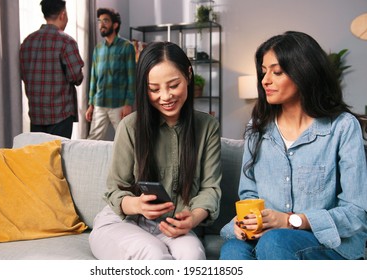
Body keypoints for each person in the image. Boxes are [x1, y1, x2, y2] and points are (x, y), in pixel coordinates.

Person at [219, 31, 367, 260]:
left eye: (277, 72)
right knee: (233, 249)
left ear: (304, 73)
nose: (265, 80)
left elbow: (357, 213)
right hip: (267, 238)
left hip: (329, 244)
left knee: (275, 241)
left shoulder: (342, 127)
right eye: (263, 72)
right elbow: (249, 194)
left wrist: (291, 220)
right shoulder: (258, 127)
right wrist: (245, 225)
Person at [89, 42, 222, 260]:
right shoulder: (130, 126)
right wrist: (137, 205)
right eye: (154, 89)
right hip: (124, 221)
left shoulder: (207, 127)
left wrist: (193, 217)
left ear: (188, 75)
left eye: (173, 85)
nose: (165, 96)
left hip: (173, 226)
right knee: (153, 255)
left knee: (193, 258)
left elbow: (210, 189)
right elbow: (115, 190)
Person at [20, 0, 84, 138]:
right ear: (63, 14)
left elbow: (23, 74)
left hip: (36, 114)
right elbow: (76, 77)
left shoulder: (27, 42)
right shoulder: (66, 41)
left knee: (39, 155)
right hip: (60, 114)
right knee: (59, 156)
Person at [85, 8, 136, 140]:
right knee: (92, 140)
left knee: (126, 139)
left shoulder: (126, 47)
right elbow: (93, 78)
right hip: (99, 103)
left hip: (119, 104)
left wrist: (128, 103)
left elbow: (131, 77)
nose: (101, 24)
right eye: (99, 21)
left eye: (105, 21)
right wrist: (91, 104)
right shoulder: (98, 49)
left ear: (115, 25)